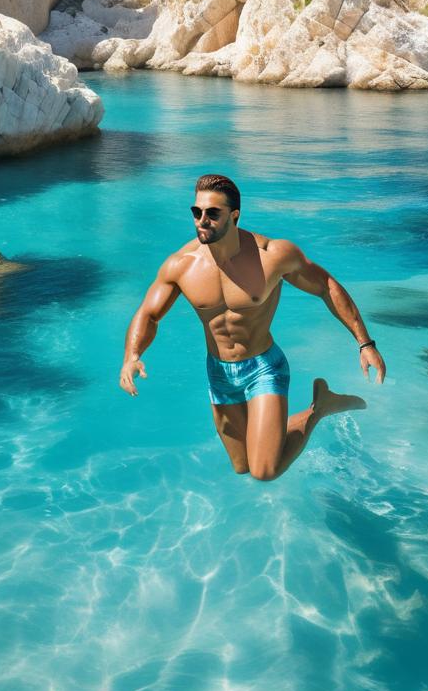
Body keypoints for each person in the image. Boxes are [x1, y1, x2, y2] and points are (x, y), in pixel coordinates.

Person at [119, 173, 386, 481]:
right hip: (219, 373)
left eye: (212, 213)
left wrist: (366, 344)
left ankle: (318, 409)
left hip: (263, 368)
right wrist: (132, 354)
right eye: (197, 212)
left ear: (235, 215)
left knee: (264, 470)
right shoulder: (181, 265)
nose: (202, 220)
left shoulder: (272, 256)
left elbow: (326, 286)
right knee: (242, 465)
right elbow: (149, 314)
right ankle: (314, 406)